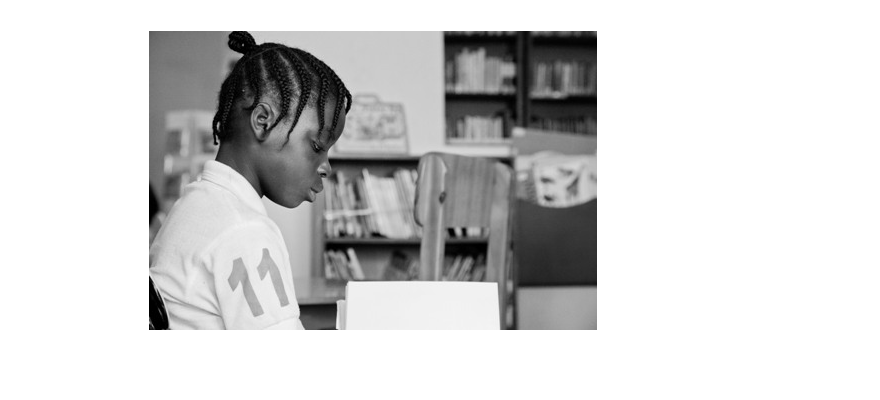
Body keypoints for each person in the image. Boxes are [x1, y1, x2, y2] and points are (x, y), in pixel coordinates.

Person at [150, 31, 352, 329]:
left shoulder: (190, 207)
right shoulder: (245, 232)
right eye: (317, 146)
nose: (326, 167)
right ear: (262, 122)